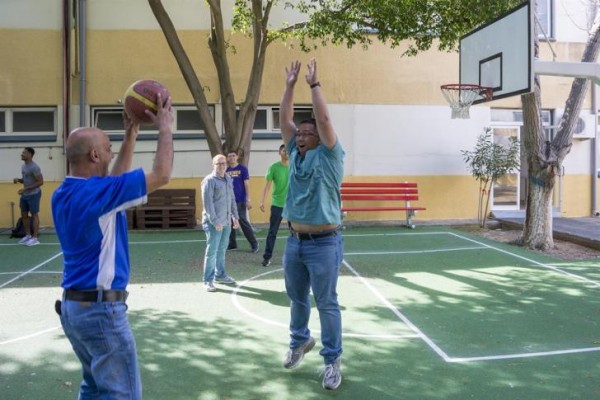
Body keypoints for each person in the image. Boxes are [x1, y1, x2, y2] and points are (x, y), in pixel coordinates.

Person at [51, 92, 174, 400]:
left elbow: (113, 181)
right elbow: (162, 174)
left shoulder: (64, 193)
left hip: (74, 310)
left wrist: (131, 134)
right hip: (100, 312)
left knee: (93, 390)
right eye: (107, 149)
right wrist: (165, 128)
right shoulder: (97, 195)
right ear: (94, 156)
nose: (110, 153)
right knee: (121, 395)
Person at [279, 58, 345, 390]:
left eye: (308, 133)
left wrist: (313, 85)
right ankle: (300, 340)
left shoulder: (331, 155)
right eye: (299, 134)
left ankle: (332, 361)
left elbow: (324, 118)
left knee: (327, 302)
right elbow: (285, 119)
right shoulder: (295, 154)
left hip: (324, 242)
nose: (301, 136)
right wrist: (289, 86)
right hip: (295, 241)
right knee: (297, 297)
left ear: (320, 138)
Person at [201, 154, 240, 292]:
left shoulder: (228, 179)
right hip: (213, 223)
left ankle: (220, 275)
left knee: (222, 249)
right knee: (212, 252)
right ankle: (208, 280)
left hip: (226, 222)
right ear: (213, 165)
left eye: (224, 163)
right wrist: (216, 221)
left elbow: (232, 199)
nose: (222, 166)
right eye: (219, 164)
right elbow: (208, 204)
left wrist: (235, 216)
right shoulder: (209, 181)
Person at [259, 144, 289, 267]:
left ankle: (298, 258)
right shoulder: (273, 167)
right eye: (284, 150)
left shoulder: (295, 167)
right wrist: (262, 201)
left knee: (296, 232)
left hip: (291, 205)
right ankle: (267, 257)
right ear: (279, 153)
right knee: (272, 232)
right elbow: (267, 186)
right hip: (277, 205)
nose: (286, 152)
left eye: (288, 150)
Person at [226, 150, 259, 253]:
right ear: (227, 158)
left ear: (237, 157)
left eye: (233, 155)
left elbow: (247, 184)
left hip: (240, 200)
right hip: (228, 201)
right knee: (230, 223)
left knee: (243, 222)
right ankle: (232, 245)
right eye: (230, 156)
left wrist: (248, 199)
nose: (232, 157)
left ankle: (254, 244)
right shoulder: (226, 170)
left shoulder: (242, 169)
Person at [13, 147, 44, 246]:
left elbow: (40, 182)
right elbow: (26, 179)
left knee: (34, 214)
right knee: (24, 215)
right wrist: (19, 180)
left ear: (30, 155)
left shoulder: (34, 167)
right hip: (25, 194)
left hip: (34, 194)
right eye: (22, 152)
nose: (21, 154)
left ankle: (35, 238)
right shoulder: (24, 166)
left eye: (24, 153)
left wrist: (25, 189)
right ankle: (28, 236)